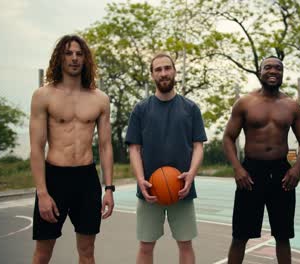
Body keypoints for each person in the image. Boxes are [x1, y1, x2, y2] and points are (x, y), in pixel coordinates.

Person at [29, 35, 115, 264]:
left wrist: (109, 189)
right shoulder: (43, 96)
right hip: (54, 178)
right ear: (60, 58)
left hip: (86, 180)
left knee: (87, 252)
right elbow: (36, 148)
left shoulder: (100, 99)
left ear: (86, 59)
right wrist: (42, 192)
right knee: (43, 252)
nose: (75, 58)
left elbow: (106, 147)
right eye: (69, 53)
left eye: (79, 53)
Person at [223, 56, 300, 264]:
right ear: (260, 72)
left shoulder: (291, 106)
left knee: (283, 236)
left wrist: (297, 168)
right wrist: (237, 168)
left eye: (278, 68)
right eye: (268, 67)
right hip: (251, 173)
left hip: (282, 173)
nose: (273, 71)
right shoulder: (245, 103)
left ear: (282, 74)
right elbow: (228, 138)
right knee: (240, 236)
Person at [125, 53, 207, 264]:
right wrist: (140, 179)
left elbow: (198, 146)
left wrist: (191, 175)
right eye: (158, 69)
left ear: (174, 71)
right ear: (152, 75)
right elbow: (134, 149)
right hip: (150, 188)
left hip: (181, 187)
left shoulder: (191, 108)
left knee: (185, 244)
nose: (163, 73)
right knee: (145, 246)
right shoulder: (141, 110)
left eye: (167, 68)